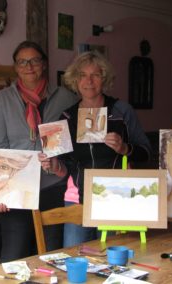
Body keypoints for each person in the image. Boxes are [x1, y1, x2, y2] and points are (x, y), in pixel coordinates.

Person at [39, 51, 151, 247]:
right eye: (82, 75)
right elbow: (63, 169)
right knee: (75, 260)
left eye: (95, 75)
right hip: (77, 201)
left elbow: (146, 153)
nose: (89, 81)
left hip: (118, 198)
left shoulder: (122, 111)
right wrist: (52, 163)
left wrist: (125, 148)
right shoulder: (65, 118)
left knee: (112, 261)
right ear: (75, 80)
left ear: (104, 79)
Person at [0, 40, 79, 261]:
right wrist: (1, 191)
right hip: (17, 189)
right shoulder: (2, 100)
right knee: (13, 255)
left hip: (53, 187)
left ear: (44, 64)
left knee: (51, 255)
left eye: (35, 60)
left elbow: (73, 148)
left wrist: (59, 165)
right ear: (16, 67)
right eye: (22, 62)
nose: (29, 66)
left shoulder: (66, 98)